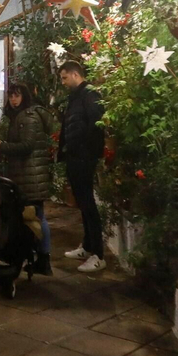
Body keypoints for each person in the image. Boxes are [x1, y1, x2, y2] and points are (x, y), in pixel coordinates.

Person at [0, 81, 54, 275]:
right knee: (33, 216)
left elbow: (27, 146)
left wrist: (2, 146)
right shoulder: (21, 115)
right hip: (29, 174)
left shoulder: (28, 116)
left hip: (31, 175)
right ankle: (38, 256)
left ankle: (44, 258)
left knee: (37, 216)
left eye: (17, 95)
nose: (13, 99)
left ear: (24, 96)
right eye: (11, 96)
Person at [58, 60, 108, 273]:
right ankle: (88, 246)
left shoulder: (89, 95)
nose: (62, 82)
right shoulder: (76, 97)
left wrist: (85, 151)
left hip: (83, 157)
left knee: (88, 203)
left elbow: (96, 126)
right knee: (82, 203)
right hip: (75, 155)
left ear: (75, 74)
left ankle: (98, 254)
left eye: (64, 77)